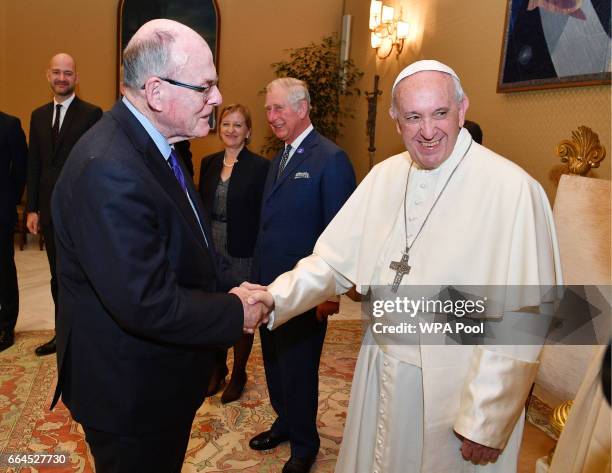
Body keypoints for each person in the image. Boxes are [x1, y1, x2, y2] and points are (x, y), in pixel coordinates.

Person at [247, 60, 562, 472]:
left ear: (463, 108)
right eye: (413, 117)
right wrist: (273, 297)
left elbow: (528, 316)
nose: (427, 131)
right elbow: (330, 263)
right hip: (381, 368)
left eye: (440, 113)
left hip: (457, 388)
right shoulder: (384, 177)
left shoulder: (515, 191)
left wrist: (487, 418)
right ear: (396, 121)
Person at [50, 19, 268, 473]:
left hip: (158, 378)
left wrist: (241, 282)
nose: (217, 98)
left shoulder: (156, 147)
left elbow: (189, 243)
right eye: (205, 86)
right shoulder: (108, 167)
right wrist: (236, 312)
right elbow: (145, 302)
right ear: (156, 92)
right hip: (129, 396)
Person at [248, 78, 356, 473]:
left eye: (278, 109)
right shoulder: (279, 159)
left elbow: (340, 233)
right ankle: (285, 421)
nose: (271, 117)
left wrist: (330, 294)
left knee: (299, 367)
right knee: (275, 364)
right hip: (270, 288)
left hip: (306, 291)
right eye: (268, 110)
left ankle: (305, 445)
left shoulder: (331, 159)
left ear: (302, 108)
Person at [26, 53, 102, 356]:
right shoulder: (37, 116)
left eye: (67, 73)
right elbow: (34, 164)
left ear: (76, 78)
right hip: (48, 211)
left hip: (80, 212)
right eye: (56, 72)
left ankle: (87, 334)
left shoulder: (92, 114)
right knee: (57, 274)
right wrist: (32, 207)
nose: (61, 78)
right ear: (48, 75)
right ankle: (62, 335)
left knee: (83, 274)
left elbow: (97, 164)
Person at [199, 104, 269, 403]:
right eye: (226, 124)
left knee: (242, 310)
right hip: (210, 247)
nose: (231, 130)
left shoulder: (259, 167)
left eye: (238, 125)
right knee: (213, 309)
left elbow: (264, 215)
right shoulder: (209, 162)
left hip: (242, 250)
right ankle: (217, 366)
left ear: (248, 132)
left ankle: (239, 372)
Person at [0, 111, 28, 352]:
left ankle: (6, 325)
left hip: (1, 212)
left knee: (3, 269)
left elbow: (21, 168)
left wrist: (10, 200)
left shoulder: (9, 124)